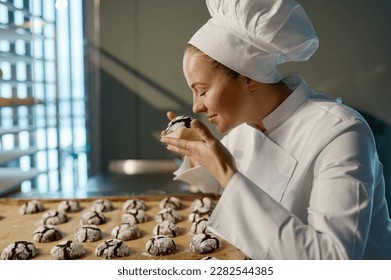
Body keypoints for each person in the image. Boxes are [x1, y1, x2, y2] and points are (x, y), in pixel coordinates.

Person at [160, 0, 391, 259]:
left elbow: (333, 260)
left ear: (247, 76)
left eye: (202, 90)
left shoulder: (341, 133)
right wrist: (195, 153)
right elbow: (216, 189)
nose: (196, 106)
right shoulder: (244, 130)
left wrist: (227, 173)